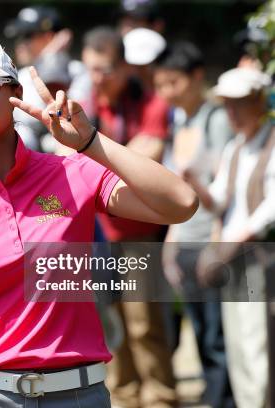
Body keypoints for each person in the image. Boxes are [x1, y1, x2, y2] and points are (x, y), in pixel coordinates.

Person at [0, 35, 197, 406]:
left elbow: (181, 203)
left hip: (79, 395)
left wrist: (90, 141)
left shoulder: (74, 172)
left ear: (15, 94)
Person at [80, 26, 177, 408]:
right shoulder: (90, 103)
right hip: (99, 233)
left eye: (103, 70)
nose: (96, 78)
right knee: (110, 323)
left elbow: (145, 156)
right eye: (90, 69)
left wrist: (93, 151)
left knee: (144, 323)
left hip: (140, 234)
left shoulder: (152, 104)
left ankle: (162, 398)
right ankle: (123, 397)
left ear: (124, 67)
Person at [184, 67, 273, 408]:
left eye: (238, 105)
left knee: (256, 344)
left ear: (258, 102)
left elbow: (269, 210)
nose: (231, 113)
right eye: (227, 105)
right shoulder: (236, 147)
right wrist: (195, 185)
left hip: (258, 259)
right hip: (234, 258)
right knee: (237, 344)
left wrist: (232, 244)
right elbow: (220, 200)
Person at [153, 41, 236, 408]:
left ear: (197, 77)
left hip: (211, 244)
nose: (167, 92)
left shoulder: (216, 120)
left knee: (218, 337)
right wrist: (172, 238)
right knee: (199, 333)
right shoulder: (180, 121)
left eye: (174, 82)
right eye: (161, 84)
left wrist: (217, 245)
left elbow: (225, 189)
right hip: (185, 241)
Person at [4, 5, 87, 151]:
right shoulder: (18, 76)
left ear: (50, 37)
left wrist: (50, 58)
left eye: (28, 36)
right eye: (19, 37)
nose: (20, 43)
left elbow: (72, 119)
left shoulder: (77, 71)